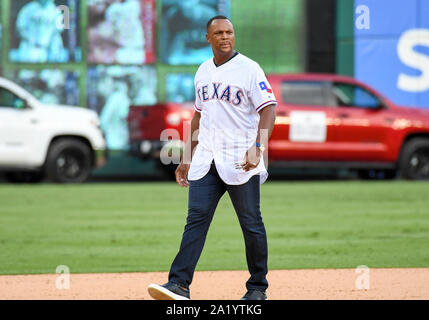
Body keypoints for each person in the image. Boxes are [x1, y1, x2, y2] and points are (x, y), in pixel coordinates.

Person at [148, 16, 277, 300]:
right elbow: (198, 117)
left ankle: (257, 288)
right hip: (207, 158)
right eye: (218, 33)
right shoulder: (203, 71)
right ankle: (179, 284)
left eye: (229, 32)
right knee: (196, 219)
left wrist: (258, 146)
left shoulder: (249, 69)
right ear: (208, 38)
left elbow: (269, 110)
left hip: (240, 158)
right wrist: (186, 157)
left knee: (251, 222)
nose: (224, 37)